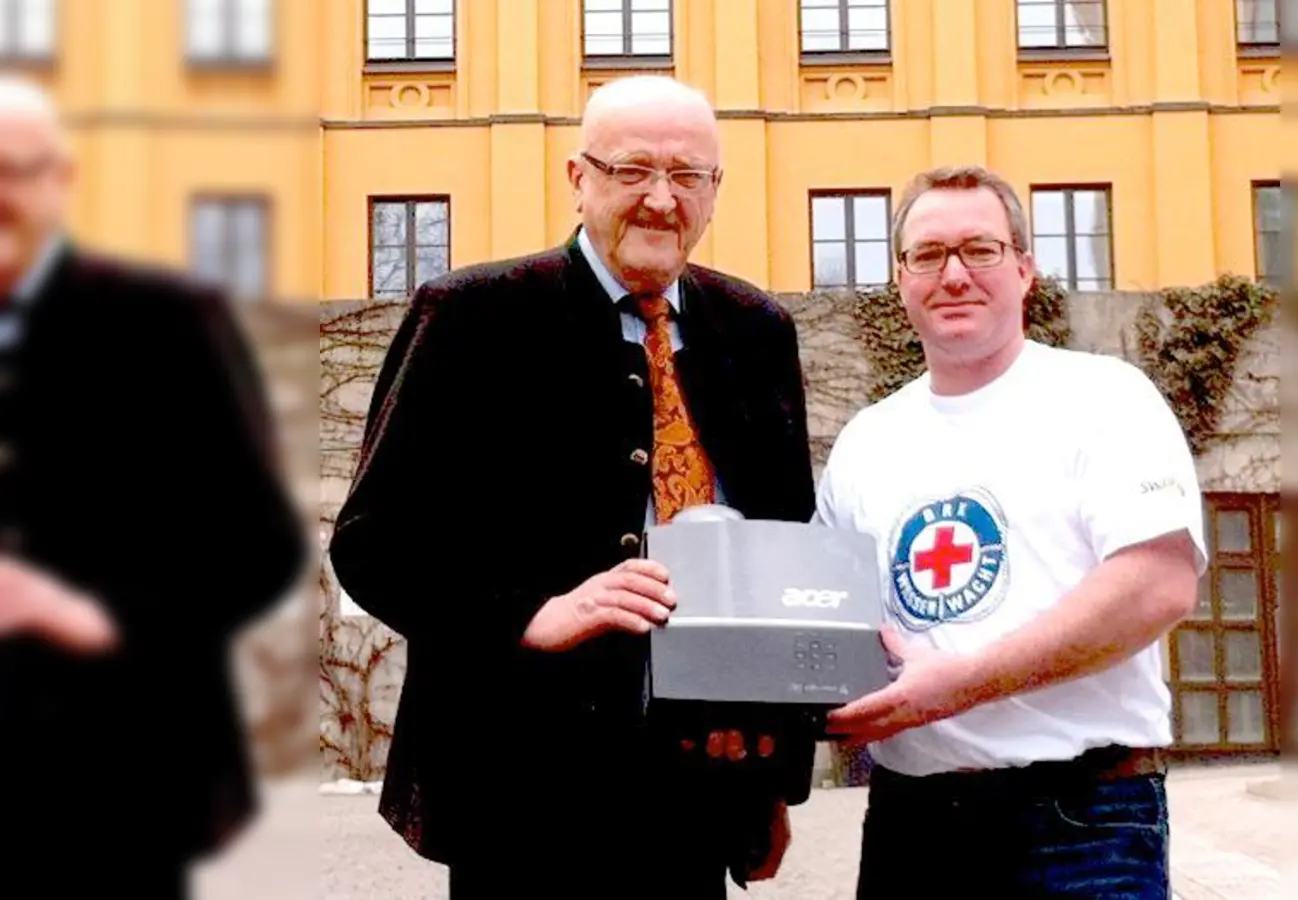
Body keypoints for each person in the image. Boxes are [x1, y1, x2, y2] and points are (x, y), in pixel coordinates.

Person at [328, 75, 817, 898]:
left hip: (697, 793)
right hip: (521, 793)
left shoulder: (757, 329)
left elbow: (784, 553)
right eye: (632, 170)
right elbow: (373, 544)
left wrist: (774, 777)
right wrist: (530, 616)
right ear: (578, 178)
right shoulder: (470, 316)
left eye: (687, 176)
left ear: (715, 190)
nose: (661, 199)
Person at [814, 164, 1208, 899]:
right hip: (911, 825)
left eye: (980, 250)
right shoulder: (867, 440)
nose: (953, 274)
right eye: (928, 255)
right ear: (900, 279)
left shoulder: (1104, 398)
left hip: (1082, 824)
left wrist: (957, 687)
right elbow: (827, 609)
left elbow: (1158, 585)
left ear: (1025, 268)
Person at [0, 77, 306, 897]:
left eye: (14, 171)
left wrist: (87, 615)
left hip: (119, 777)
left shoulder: (169, 322)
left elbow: (260, 546)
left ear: (61, 180)